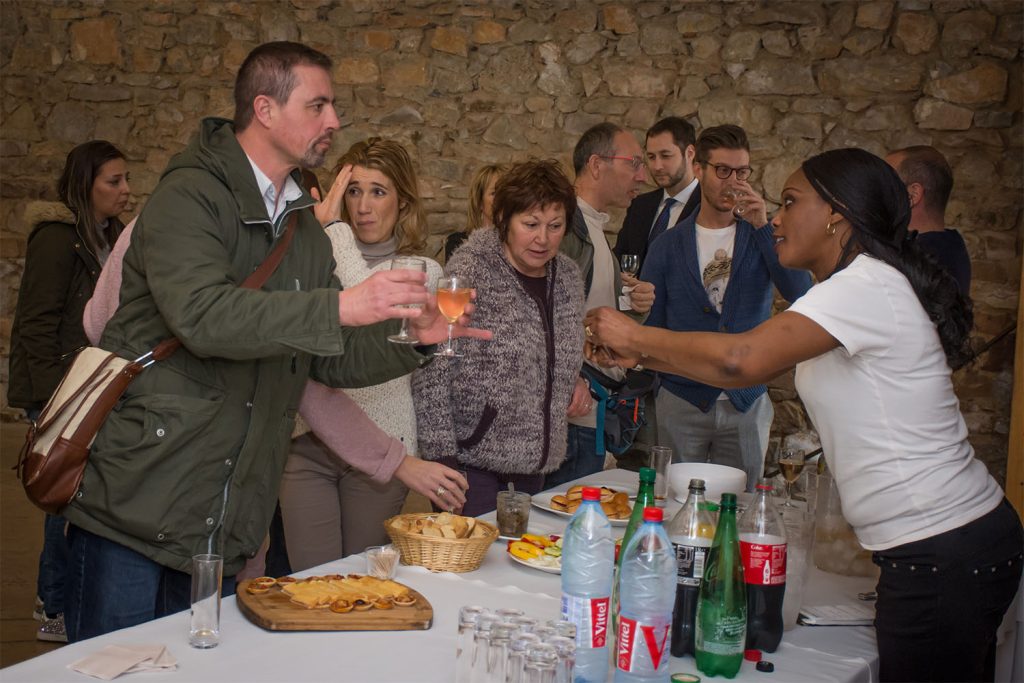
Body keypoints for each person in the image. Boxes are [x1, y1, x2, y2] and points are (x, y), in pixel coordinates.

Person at [59, 41, 488, 642]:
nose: (334, 121)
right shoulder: (189, 197)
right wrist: (344, 304)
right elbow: (202, 315)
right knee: (110, 667)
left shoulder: (302, 232)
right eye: (318, 106)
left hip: (223, 516)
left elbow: (323, 361)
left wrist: (411, 341)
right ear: (265, 109)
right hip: (141, 497)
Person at [583, 148, 1022, 683]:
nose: (775, 218)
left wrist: (634, 335)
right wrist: (642, 356)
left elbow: (738, 357)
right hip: (940, 544)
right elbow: (734, 372)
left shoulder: (865, 285)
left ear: (837, 214)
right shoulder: (847, 289)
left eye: (790, 203)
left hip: (943, 545)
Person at [83, 216, 467, 578]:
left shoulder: (292, 245)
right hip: (161, 477)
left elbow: (99, 323)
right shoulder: (291, 245)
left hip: (196, 471)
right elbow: (313, 388)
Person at [278, 137, 458, 570]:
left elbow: (374, 330)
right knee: (312, 583)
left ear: (403, 200)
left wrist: (333, 231)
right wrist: (327, 241)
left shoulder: (420, 270)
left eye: (378, 191)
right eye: (353, 191)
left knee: (365, 582)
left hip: (383, 453)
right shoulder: (314, 264)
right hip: (308, 445)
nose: (362, 206)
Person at [639, 125, 812, 491]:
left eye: (742, 172)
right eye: (723, 171)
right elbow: (650, 325)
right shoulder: (667, 244)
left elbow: (800, 292)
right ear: (699, 169)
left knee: (743, 507)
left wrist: (764, 227)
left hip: (746, 401)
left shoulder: (763, 235)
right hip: (681, 398)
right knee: (675, 504)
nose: (733, 182)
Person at [414, 159, 588, 515]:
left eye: (555, 226)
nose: (543, 238)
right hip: (468, 464)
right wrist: (442, 459)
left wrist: (576, 378)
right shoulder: (469, 271)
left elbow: (554, 350)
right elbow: (432, 368)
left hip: (536, 463)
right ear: (504, 219)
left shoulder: (568, 277)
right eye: (531, 224)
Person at [8, 140, 130, 644]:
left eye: (125, 180)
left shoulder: (116, 237)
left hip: (99, 385)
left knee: (88, 502)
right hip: (66, 389)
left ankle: (79, 600)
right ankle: (53, 603)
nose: (125, 190)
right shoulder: (58, 241)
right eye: (113, 182)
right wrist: (50, 402)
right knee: (64, 499)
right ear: (86, 186)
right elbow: (35, 325)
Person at [545, 122, 656, 489]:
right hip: (575, 409)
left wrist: (634, 310)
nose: (643, 175)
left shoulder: (591, 227)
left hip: (587, 407)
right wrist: (569, 379)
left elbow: (590, 315)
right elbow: (546, 313)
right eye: (634, 163)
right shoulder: (569, 228)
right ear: (596, 164)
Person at [614, 116, 701, 271]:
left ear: (689, 153)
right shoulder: (640, 205)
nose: (657, 166)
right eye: (651, 157)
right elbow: (620, 260)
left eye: (665, 156)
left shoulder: (708, 206)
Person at [886, 145, 971, 296]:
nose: (877, 193)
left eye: (885, 183)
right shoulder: (952, 245)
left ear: (913, 194)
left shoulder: (920, 261)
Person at [443, 163, 506, 263]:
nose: (502, 198)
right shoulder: (458, 243)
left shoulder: (518, 244)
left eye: (505, 192)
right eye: (494, 193)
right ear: (480, 202)